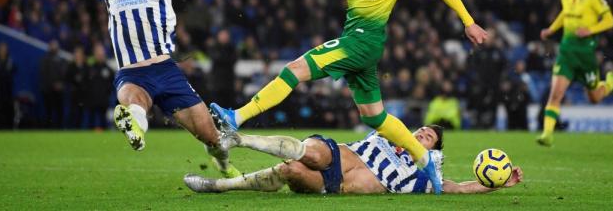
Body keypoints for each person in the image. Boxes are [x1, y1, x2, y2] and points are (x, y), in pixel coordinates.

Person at [211, 0, 488, 168]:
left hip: (364, 42)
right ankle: (425, 160)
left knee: (294, 69)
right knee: (374, 118)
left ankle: (236, 117)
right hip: (359, 43)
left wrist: (468, 22)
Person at [20, 0, 238, 176]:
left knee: (211, 138)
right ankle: (135, 128)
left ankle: (224, 165)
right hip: (132, 74)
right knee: (134, 104)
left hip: (166, 70)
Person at [184, 125, 523, 195]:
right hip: (336, 154)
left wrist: (495, 184)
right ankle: (239, 138)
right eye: (419, 131)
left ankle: (221, 186)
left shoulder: (423, 174)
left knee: (291, 171)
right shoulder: (389, 133)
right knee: (312, 151)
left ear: (434, 148)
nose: (420, 135)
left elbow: (456, 188)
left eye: (428, 136)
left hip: (337, 185)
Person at [537, 0, 613, 146]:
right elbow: (564, 14)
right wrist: (551, 29)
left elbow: (610, 20)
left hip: (585, 54)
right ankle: (547, 134)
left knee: (594, 98)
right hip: (566, 51)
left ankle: (609, 83)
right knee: (555, 94)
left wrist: (590, 30)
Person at [0, 42, 16, 128]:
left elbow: (15, 69)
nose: (3, 51)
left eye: (4, 49)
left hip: (9, 90)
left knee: (9, 109)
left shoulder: (10, 61)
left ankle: (10, 127)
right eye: (1, 49)